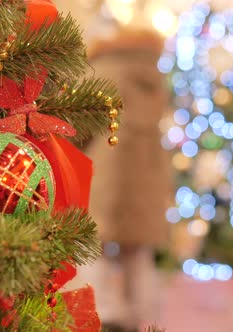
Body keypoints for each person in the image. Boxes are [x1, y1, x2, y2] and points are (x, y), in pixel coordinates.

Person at [81, 29, 172, 332]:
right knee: (137, 250)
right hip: (146, 171)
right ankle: (141, 317)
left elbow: (80, 121)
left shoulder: (104, 70)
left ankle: (103, 312)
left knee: (97, 243)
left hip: (107, 167)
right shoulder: (152, 74)